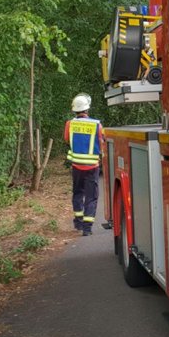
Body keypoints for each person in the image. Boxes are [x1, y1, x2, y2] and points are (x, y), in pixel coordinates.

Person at [64, 93, 105, 237]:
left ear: (74, 109)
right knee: (91, 196)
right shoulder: (97, 125)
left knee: (77, 193)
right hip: (92, 167)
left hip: (76, 166)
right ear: (87, 109)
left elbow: (67, 139)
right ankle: (87, 229)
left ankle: (78, 222)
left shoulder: (70, 124)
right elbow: (101, 143)